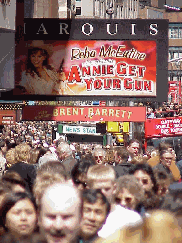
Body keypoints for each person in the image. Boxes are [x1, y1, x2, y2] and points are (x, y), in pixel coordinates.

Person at [87, 165, 142, 238]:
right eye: (98, 190)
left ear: (115, 188)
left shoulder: (131, 219)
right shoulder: (84, 218)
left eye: (107, 189)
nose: (103, 193)